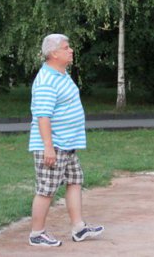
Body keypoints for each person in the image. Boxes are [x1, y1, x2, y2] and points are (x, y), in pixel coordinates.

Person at [28, 34, 104, 247]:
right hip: (54, 145)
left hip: (68, 143)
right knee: (46, 189)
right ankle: (37, 233)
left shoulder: (62, 74)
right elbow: (43, 116)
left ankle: (79, 228)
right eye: (66, 47)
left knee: (75, 181)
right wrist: (48, 147)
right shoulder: (46, 80)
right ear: (54, 53)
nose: (71, 50)